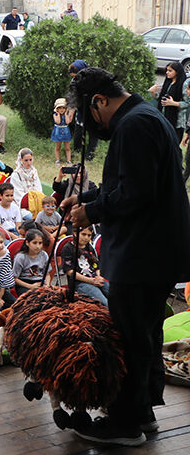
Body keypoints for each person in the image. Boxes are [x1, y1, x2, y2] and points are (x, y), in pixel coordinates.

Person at [61, 67, 190, 446]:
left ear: (100, 101)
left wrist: (93, 212)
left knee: (131, 337)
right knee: (144, 333)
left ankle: (126, 424)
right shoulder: (146, 116)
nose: (91, 124)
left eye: (88, 114)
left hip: (144, 254)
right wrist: (85, 199)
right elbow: (131, 184)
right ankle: (142, 413)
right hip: (157, 252)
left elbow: (135, 195)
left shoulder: (134, 127)